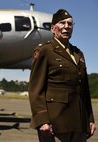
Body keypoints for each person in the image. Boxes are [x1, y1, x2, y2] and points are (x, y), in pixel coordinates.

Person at [28, 9, 96, 142]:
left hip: (79, 124)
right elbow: (36, 89)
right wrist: (42, 120)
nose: (66, 27)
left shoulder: (78, 54)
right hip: (55, 124)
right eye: (62, 23)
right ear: (53, 28)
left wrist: (90, 119)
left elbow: (84, 90)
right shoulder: (44, 51)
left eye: (70, 24)